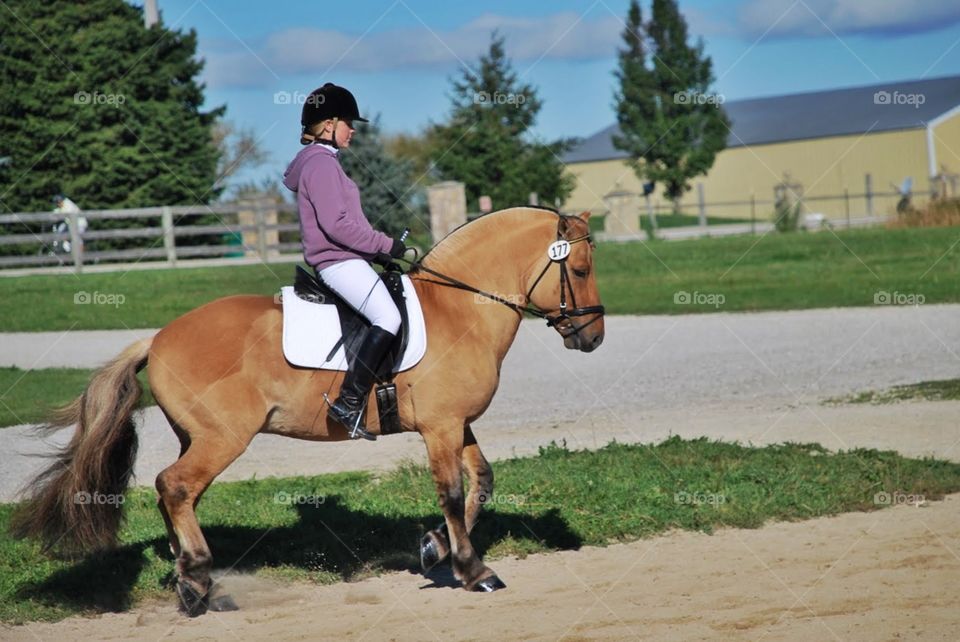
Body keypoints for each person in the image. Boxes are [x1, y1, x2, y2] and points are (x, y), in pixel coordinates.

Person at [283, 83, 406, 441]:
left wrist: (377, 251)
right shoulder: (320, 164)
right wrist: (386, 245)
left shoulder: (322, 162)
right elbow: (337, 225)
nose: (352, 130)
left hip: (347, 260)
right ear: (327, 125)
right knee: (389, 317)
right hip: (338, 263)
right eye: (347, 123)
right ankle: (349, 402)